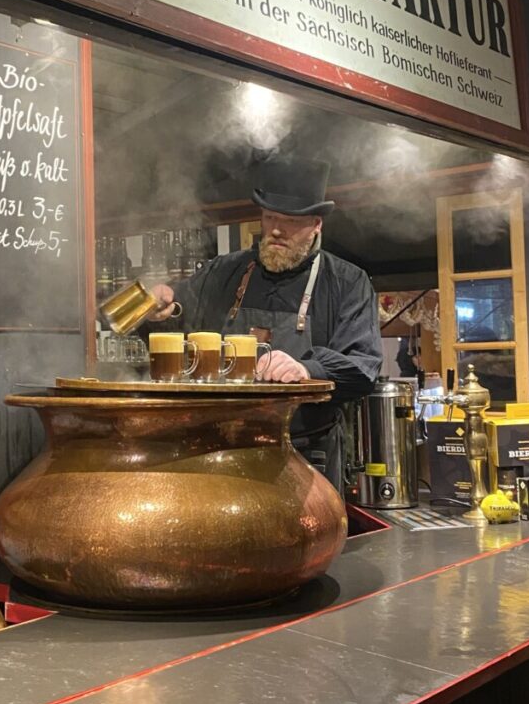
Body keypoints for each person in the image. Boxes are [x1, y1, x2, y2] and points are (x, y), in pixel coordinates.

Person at [149, 156, 383, 492]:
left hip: (305, 457)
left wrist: (308, 369)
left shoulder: (347, 282)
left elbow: (363, 367)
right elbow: (178, 324)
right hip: (224, 451)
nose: (275, 229)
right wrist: (164, 308)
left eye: (290, 222)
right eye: (269, 217)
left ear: (317, 224)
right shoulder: (223, 272)